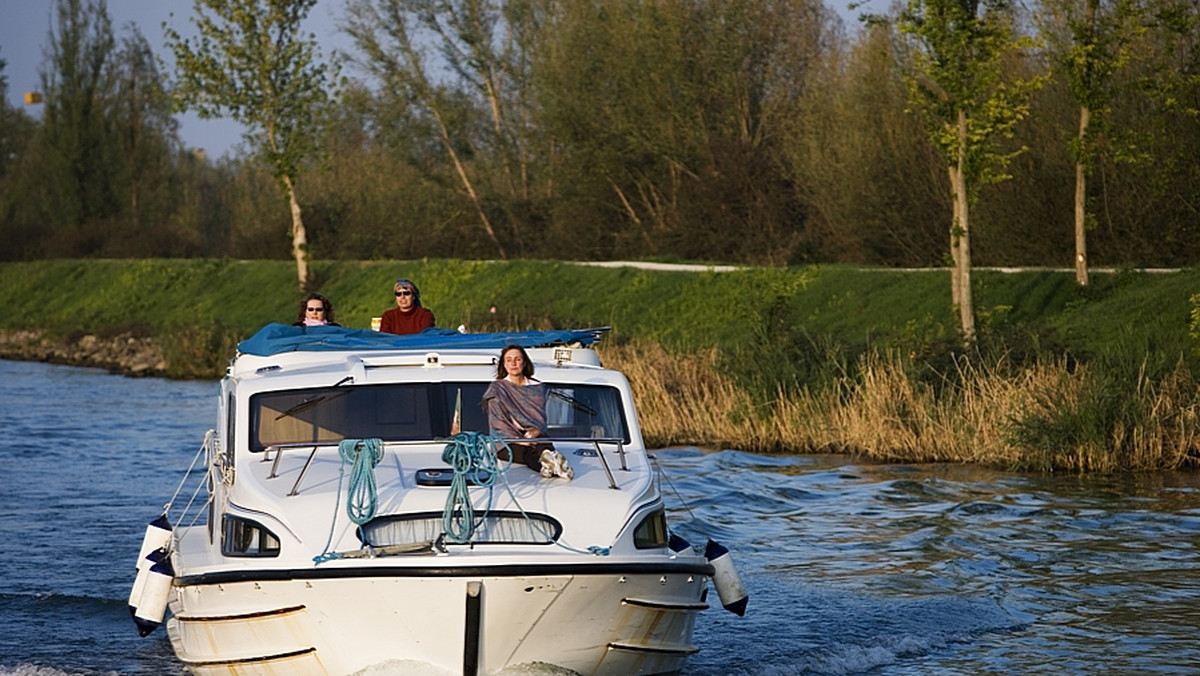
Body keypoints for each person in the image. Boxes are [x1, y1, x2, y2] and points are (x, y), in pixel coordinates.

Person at [481, 345, 573, 480]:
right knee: (527, 453)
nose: (513, 363)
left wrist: (535, 432)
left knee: (544, 445)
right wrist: (520, 441)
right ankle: (549, 467)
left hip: (536, 436)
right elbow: (498, 422)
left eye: (517, 359)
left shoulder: (538, 388)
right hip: (506, 442)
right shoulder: (497, 389)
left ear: (524, 363)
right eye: (509, 360)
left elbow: (540, 419)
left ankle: (554, 462)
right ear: (504, 364)